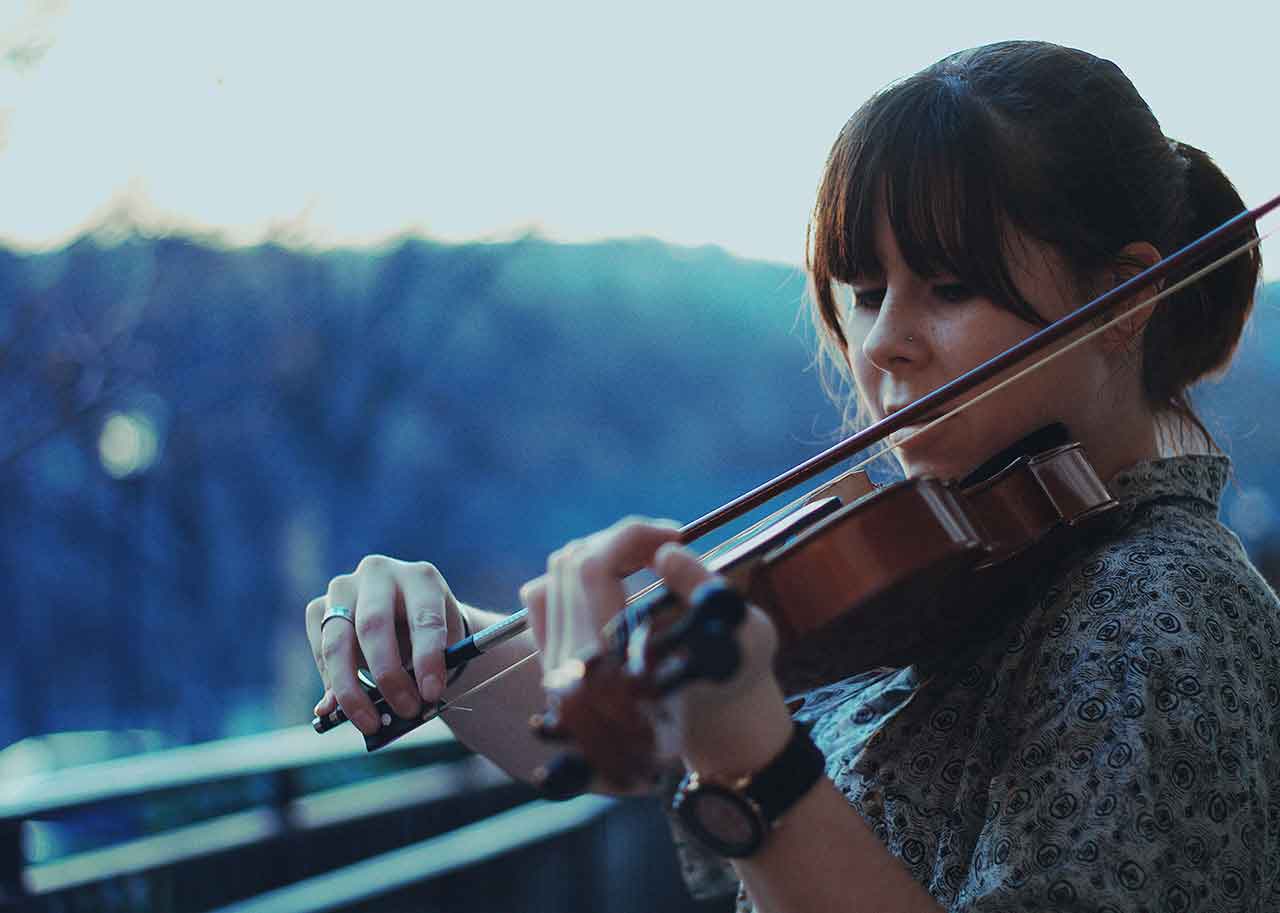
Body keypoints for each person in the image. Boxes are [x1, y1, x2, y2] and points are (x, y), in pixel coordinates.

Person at [304, 40, 1279, 912]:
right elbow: (615, 740)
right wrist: (447, 646)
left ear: (1120, 299)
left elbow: (743, 767)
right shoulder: (973, 573)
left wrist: (759, 772)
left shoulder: (1166, 612)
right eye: (865, 292)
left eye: (948, 287)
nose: (882, 343)